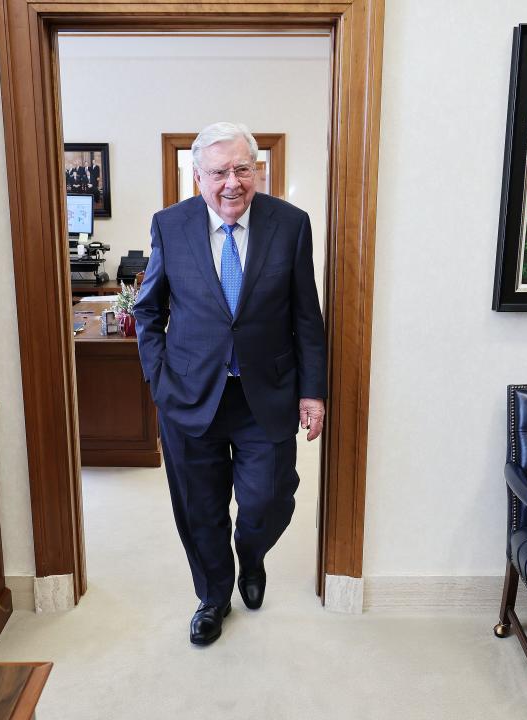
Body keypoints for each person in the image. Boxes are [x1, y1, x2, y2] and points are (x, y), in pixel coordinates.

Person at [135, 122, 327, 646]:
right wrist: (158, 377)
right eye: (218, 172)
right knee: (199, 506)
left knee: (269, 500)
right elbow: (148, 310)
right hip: (189, 397)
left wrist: (313, 393)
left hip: (266, 393)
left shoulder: (290, 225)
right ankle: (213, 595)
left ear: (257, 170)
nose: (231, 183)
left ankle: (253, 555)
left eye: (242, 169)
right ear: (197, 176)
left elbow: (307, 315)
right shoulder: (169, 225)